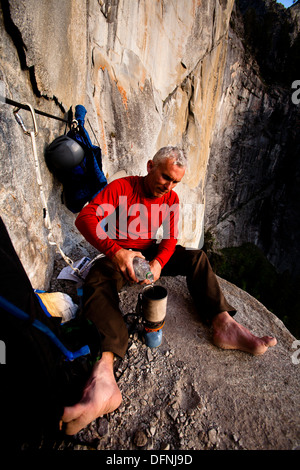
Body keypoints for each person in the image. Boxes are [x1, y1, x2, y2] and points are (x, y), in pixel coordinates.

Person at [62, 146, 277, 435]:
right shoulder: (122, 188)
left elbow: (170, 239)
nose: (169, 186)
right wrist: (117, 253)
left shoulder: (171, 199)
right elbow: (85, 218)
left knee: (197, 258)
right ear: (150, 166)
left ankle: (224, 323)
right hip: (119, 254)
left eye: (175, 181)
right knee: (97, 283)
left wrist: (159, 263)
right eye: (165, 176)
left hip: (148, 253)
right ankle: (104, 373)